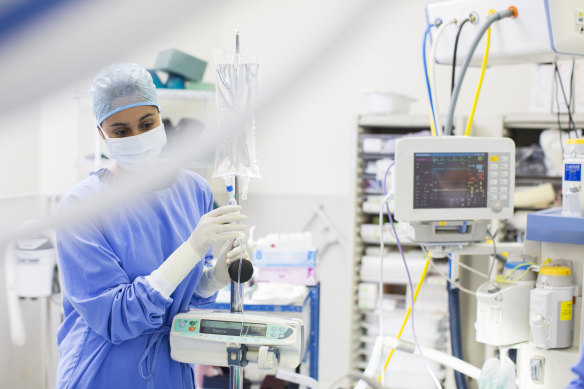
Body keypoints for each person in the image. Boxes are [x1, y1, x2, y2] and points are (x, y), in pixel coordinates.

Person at [55, 63, 250, 388]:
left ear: (160, 117)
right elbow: (117, 319)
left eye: (147, 123)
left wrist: (214, 276)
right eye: (121, 131)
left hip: (169, 369)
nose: (137, 137)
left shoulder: (193, 189)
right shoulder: (81, 208)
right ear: (102, 133)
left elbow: (185, 298)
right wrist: (191, 249)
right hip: (105, 371)